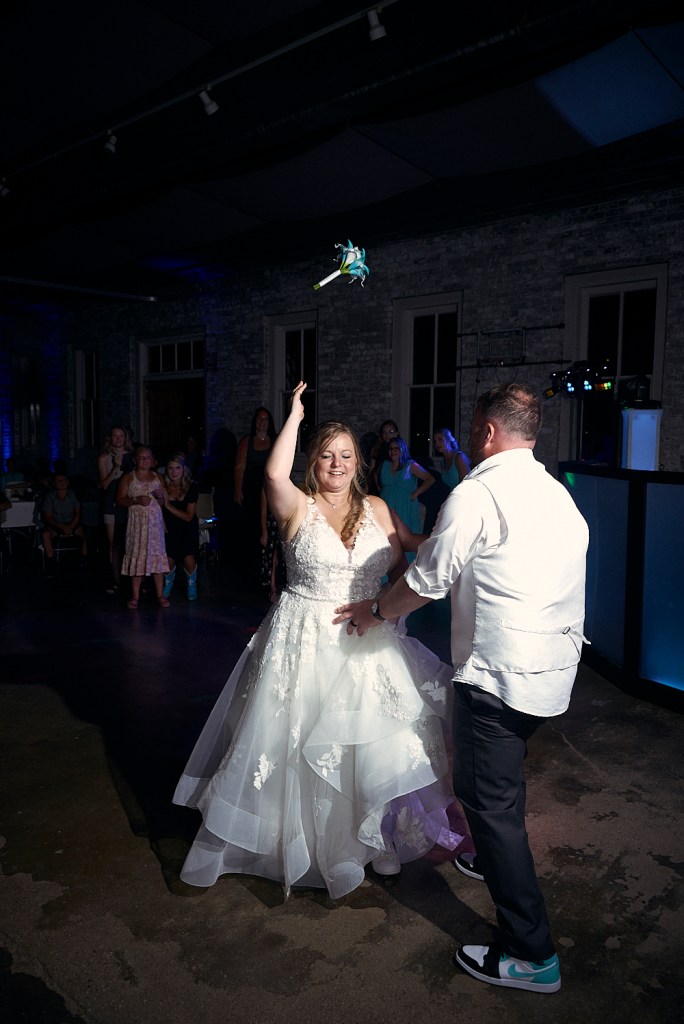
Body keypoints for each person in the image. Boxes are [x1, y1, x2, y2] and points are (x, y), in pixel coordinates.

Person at [335, 382, 589, 994]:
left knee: (488, 802)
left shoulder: (477, 493)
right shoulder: (558, 494)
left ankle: (532, 956)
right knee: (501, 784)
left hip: (499, 677)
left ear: (488, 433)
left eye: (475, 428)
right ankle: (487, 857)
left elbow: (427, 579)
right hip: (553, 673)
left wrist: (375, 610)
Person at [173, 381, 467, 899]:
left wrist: (387, 612)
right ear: (315, 463)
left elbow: (404, 564)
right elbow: (270, 471)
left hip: (368, 641)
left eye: (347, 455)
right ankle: (314, 846)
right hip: (305, 641)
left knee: (369, 747)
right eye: (328, 456)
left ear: (359, 462)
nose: (337, 464)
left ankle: (379, 843)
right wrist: (294, 413)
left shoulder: (377, 508)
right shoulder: (295, 507)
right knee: (302, 745)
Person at [116, 445, 169, 609]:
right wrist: (135, 500)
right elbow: (119, 500)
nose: (145, 460)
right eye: (141, 457)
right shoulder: (128, 478)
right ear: (135, 460)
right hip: (137, 525)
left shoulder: (158, 477)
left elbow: (163, 502)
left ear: (153, 461)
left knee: (156, 557)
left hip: (154, 525)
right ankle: (135, 596)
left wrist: (160, 498)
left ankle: (160, 595)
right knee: (137, 556)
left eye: (148, 457)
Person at [234, 407, 277, 579]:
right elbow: (239, 467)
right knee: (252, 526)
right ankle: (251, 567)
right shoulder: (247, 441)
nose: (262, 421)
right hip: (251, 488)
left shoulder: (274, 440)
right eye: (259, 418)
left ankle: (268, 569)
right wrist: (238, 489)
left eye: (265, 419)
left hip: (269, 488)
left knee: (268, 524)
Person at [97, 426, 135, 594]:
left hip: (127, 502)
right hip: (110, 502)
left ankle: (132, 580)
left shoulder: (133, 456)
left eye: (121, 435)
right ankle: (116, 580)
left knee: (130, 542)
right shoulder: (104, 457)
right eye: (115, 435)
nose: (118, 438)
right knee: (114, 544)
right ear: (110, 438)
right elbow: (104, 485)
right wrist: (115, 468)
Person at [162, 453, 199, 601]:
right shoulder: (163, 487)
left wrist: (169, 507)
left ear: (184, 469)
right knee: (168, 560)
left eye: (177, 468)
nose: (174, 471)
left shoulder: (192, 487)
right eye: (170, 468)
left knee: (188, 558)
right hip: (169, 527)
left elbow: (189, 516)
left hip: (186, 526)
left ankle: (191, 584)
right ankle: (168, 583)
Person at [378, 436, 435, 535]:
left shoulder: (410, 465)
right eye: (391, 449)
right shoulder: (385, 464)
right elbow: (375, 475)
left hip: (404, 505)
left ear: (402, 449)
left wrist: (415, 494)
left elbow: (430, 479)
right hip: (386, 505)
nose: (393, 451)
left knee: (404, 537)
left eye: (396, 448)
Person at [41, 473, 88, 571]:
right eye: (58, 481)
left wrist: (70, 527)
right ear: (54, 484)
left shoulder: (74, 494)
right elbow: (48, 517)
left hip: (72, 523)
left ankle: (84, 560)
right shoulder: (49, 496)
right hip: (56, 524)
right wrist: (62, 527)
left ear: (67, 483)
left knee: (83, 532)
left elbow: (78, 513)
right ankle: (51, 562)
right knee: (45, 534)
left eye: (63, 480)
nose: (61, 483)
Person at [368, 419, 400, 494]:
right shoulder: (377, 447)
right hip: (376, 484)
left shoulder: (400, 448)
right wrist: (367, 485)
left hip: (391, 485)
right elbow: (372, 468)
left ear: (396, 433)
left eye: (390, 432)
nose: (387, 435)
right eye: (384, 432)